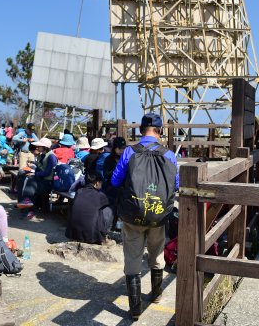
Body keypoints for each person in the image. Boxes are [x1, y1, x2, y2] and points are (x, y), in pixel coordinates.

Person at [111, 113, 179, 319]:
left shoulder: (129, 152)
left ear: (141, 130)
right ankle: (157, 294)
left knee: (133, 256)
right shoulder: (169, 154)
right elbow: (176, 185)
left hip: (133, 213)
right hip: (158, 214)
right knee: (157, 252)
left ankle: (135, 310)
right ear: (159, 131)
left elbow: (115, 181)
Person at [65, 172, 114, 245]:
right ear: (97, 183)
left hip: (72, 234)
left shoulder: (79, 191)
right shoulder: (100, 195)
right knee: (110, 209)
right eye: (101, 183)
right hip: (91, 237)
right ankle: (103, 237)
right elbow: (107, 203)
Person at [18, 138, 57, 217]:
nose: (37, 148)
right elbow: (40, 169)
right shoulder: (43, 155)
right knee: (22, 178)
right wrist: (33, 170)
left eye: (39, 146)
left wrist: (35, 174)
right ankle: (24, 203)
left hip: (48, 182)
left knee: (30, 182)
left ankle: (28, 206)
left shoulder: (51, 156)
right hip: (42, 179)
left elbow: (47, 173)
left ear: (45, 147)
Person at [103, 136, 127, 207]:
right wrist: (117, 169)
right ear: (115, 148)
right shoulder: (109, 159)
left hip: (124, 190)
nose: (122, 151)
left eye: (123, 148)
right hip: (112, 190)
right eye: (120, 148)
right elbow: (106, 174)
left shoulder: (126, 159)